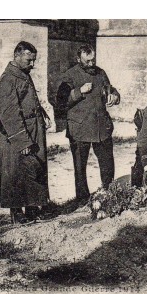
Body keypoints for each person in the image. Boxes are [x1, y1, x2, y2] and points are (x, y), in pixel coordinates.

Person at [0, 41, 51, 224]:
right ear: (16, 56)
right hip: (17, 135)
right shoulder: (7, 80)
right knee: (15, 173)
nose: (32, 64)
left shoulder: (23, 75)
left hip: (34, 130)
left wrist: (43, 114)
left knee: (34, 169)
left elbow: (30, 100)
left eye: (34, 60)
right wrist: (22, 142)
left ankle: (32, 209)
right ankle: (17, 214)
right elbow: (10, 114)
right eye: (28, 60)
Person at [56, 43, 120, 204]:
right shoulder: (69, 76)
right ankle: (82, 198)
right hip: (80, 127)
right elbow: (60, 101)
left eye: (93, 60)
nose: (91, 64)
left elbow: (110, 89)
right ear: (78, 59)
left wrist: (114, 95)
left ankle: (109, 191)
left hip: (101, 127)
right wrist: (79, 92)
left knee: (107, 161)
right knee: (79, 165)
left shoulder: (100, 73)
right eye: (87, 61)